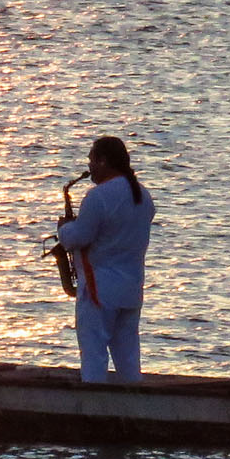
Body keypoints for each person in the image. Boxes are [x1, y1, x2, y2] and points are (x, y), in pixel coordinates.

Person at [56, 136, 156, 384]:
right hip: (131, 289)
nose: (89, 166)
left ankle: (93, 412)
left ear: (103, 161)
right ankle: (133, 410)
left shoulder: (98, 197)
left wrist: (64, 228)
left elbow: (78, 237)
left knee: (94, 358)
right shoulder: (143, 195)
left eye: (91, 159)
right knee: (129, 362)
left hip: (99, 289)